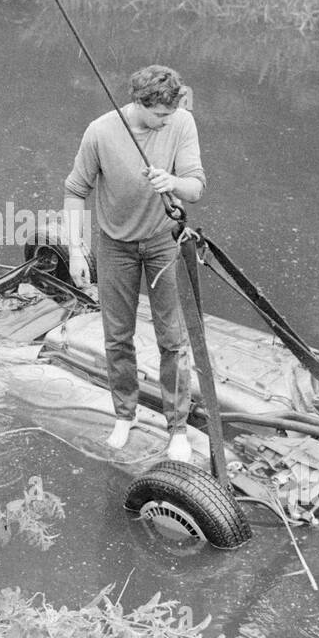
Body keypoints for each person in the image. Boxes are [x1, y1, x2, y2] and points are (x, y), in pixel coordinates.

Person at [62, 64, 205, 464]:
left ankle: (177, 427)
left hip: (163, 243)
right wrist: (75, 248)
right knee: (117, 336)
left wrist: (172, 183)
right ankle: (124, 415)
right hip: (115, 246)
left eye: (171, 113)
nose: (166, 120)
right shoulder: (101, 131)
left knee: (173, 339)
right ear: (139, 104)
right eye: (160, 114)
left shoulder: (181, 123)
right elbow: (75, 191)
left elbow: (195, 186)